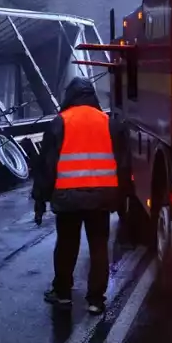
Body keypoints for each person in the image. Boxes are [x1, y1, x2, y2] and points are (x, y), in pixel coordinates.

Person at [32, 77, 131, 315]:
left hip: (68, 197)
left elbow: (47, 166)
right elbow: (124, 164)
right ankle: (96, 299)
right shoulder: (109, 123)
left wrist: (39, 200)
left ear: (70, 96)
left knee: (66, 246)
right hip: (102, 197)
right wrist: (124, 198)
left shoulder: (60, 122)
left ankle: (63, 293)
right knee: (98, 247)